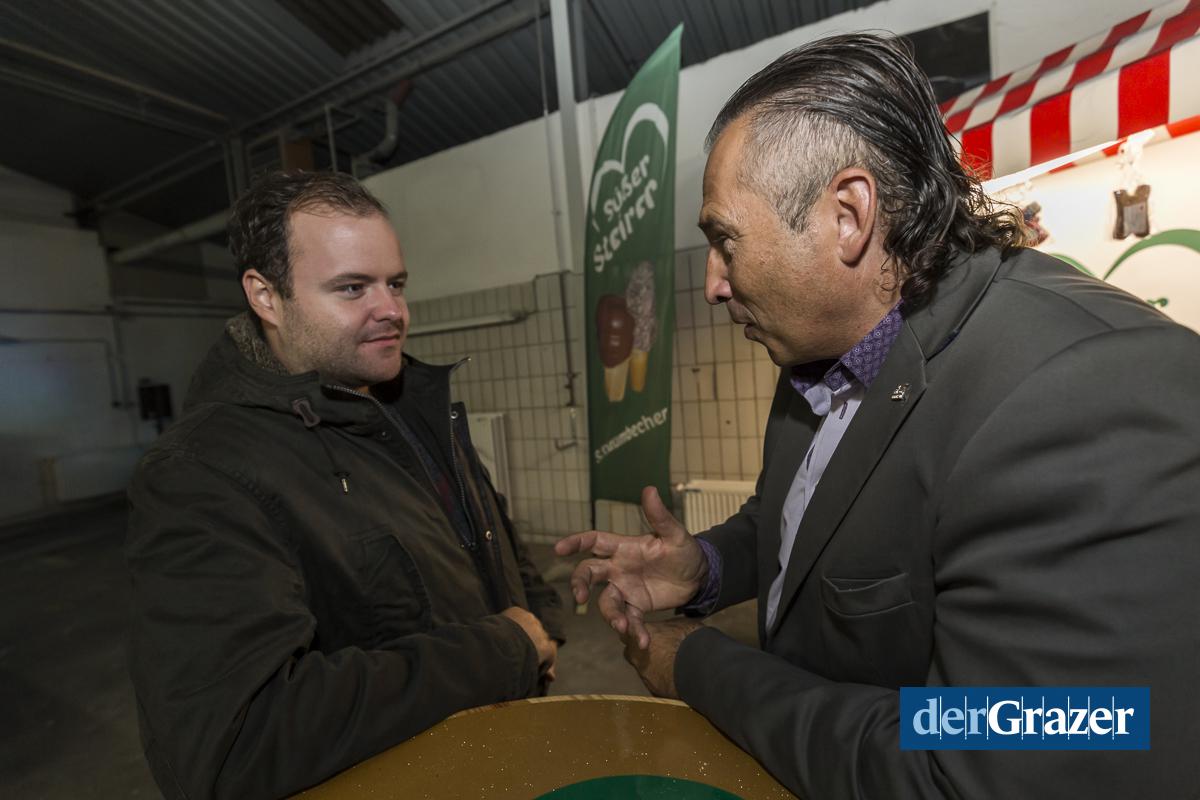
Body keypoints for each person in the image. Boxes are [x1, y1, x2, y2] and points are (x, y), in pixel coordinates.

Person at [557, 33, 1200, 799]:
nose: (712, 284)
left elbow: (977, 759)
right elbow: (808, 515)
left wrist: (699, 663)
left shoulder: (1083, 398)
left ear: (848, 215)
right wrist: (708, 566)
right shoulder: (820, 348)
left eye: (725, 240)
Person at [127, 170, 563, 800]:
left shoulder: (404, 400)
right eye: (353, 287)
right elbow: (238, 745)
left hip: (500, 749)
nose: (392, 311)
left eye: (396, 283)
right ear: (265, 296)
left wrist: (544, 624)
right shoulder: (200, 473)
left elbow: (487, 530)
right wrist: (504, 651)